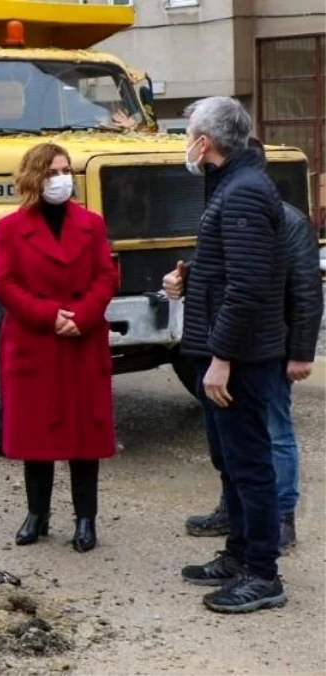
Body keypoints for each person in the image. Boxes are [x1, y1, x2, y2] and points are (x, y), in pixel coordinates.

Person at [174, 138, 321, 554]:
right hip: (234, 341)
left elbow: (306, 291)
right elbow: (218, 277)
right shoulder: (224, 209)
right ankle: (233, 510)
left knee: (272, 433)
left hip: (266, 346)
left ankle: (280, 517)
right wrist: (182, 282)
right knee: (232, 440)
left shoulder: (284, 220)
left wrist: (301, 352)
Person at [171, 96, 288, 614]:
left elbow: (247, 287)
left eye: (188, 133)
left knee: (250, 464)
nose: (186, 143)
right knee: (231, 462)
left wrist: (222, 357)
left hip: (238, 359)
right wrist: (190, 279)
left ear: (206, 142)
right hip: (223, 352)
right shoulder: (228, 185)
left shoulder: (241, 192)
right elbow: (229, 269)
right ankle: (239, 554)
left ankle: (263, 574)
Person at [0, 142, 119, 554]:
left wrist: (81, 316)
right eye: (52, 172)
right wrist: (50, 316)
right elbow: (4, 283)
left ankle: (86, 519)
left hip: (83, 340)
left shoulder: (92, 224)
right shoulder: (9, 228)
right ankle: (37, 514)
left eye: (66, 171)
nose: (62, 179)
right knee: (37, 434)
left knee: (85, 434)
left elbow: (106, 275)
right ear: (34, 177)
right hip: (36, 340)